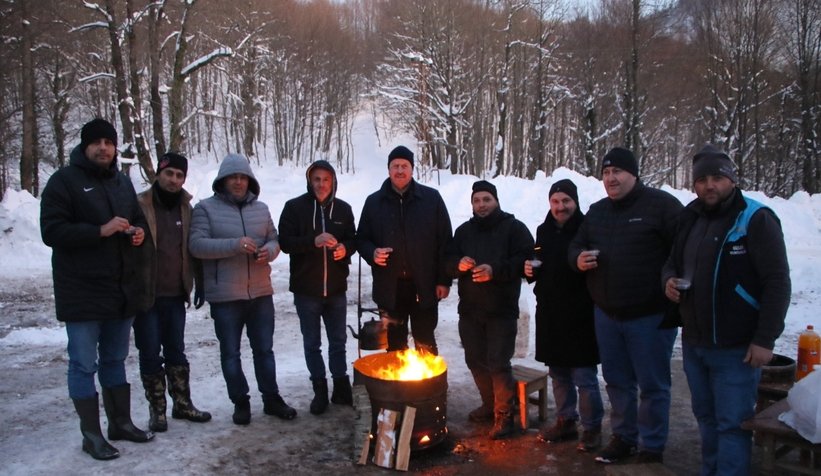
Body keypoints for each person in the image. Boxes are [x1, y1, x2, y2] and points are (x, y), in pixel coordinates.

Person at [662, 145, 791, 475]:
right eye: (702, 179)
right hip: (695, 342)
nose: (709, 185)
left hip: (736, 346)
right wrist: (669, 281)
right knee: (705, 417)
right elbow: (671, 263)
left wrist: (765, 339)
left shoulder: (755, 219)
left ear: (732, 179)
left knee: (732, 424)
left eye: (717, 178)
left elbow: (777, 281)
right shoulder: (689, 217)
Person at [40, 118, 154, 460]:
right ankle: (92, 435)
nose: (103, 148)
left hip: (120, 291)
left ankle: (120, 422)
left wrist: (138, 233)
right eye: (96, 142)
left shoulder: (122, 182)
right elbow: (52, 231)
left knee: (116, 359)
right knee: (83, 364)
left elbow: (139, 220)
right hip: (82, 292)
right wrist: (99, 231)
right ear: (85, 146)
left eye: (109, 142)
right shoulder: (64, 182)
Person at [568, 147, 682, 464]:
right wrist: (577, 259)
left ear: (634, 174)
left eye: (617, 171)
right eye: (605, 173)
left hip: (650, 316)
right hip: (607, 313)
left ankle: (652, 444)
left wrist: (673, 282)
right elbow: (576, 244)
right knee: (617, 381)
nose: (611, 178)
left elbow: (686, 248)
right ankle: (624, 436)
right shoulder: (598, 211)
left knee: (652, 384)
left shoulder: (661, 206)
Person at [189, 153, 296, 425]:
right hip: (225, 296)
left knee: (265, 350)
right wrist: (233, 245)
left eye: (243, 177)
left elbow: (274, 239)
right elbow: (197, 245)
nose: (238, 182)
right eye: (233, 177)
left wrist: (269, 252)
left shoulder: (260, 208)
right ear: (222, 181)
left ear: (250, 180)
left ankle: (271, 398)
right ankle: (240, 401)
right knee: (231, 353)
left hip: (260, 292)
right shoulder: (205, 209)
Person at [445, 180, 534, 439]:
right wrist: (457, 264)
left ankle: (505, 416)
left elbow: (525, 261)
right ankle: (489, 403)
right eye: (476, 200)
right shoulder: (463, 232)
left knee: (498, 362)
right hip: (470, 310)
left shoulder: (514, 229)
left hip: (501, 310)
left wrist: (495, 271)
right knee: (474, 360)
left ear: (496, 200)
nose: (481, 205)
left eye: (486, 199)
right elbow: (447, 260)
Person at [134, 152, 211, 432]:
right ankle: (157, 411)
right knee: (151, 352)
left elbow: (193, 248)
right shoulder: (140, 205)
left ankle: (182, 404)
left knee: (176, 350)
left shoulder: (187, 209)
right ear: (158, 173)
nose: (174, 180)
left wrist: (199, 281)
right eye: (169, 174)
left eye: (180, 175)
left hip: (176, 293)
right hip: (146, 295)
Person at [525, 179, 603, 451]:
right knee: (558, 373)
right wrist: (530, 271)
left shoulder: (587, 228)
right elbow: (540, 265)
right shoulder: (543, 230)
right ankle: (566, 420)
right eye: (556, 201)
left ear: (575, 202)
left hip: (580, 312)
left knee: (584, 376)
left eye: (566, 201)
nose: (560, 207)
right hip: (550, 311)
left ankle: (592, 427)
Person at [356, 145, 452, 354]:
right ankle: (397, 386)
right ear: (388, 169)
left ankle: (430, 386)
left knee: (425, 340)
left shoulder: (431, 199)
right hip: (390, 288)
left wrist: (443, 280)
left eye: (404, 166)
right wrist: (372, 253)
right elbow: (361, 239)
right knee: (395, 343)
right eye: (395, 166)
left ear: (412, 169)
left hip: (424, 286)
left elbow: (445, 241)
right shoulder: (374, 202)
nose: (400, 170)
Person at [278, 160, 357, 415]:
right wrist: (314, 241)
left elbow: (353, 240)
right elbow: (286, 242)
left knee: (338, 341)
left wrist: (345, 249)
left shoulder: (343, 210)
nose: (321, 184)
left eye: (326, 179)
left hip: (336, 290)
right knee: (312, 343)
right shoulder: (294, 208)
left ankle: (341, 387)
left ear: (333, 181)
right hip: (306, 290)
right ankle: (319, 390)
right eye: (316, 179)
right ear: (309, 181)